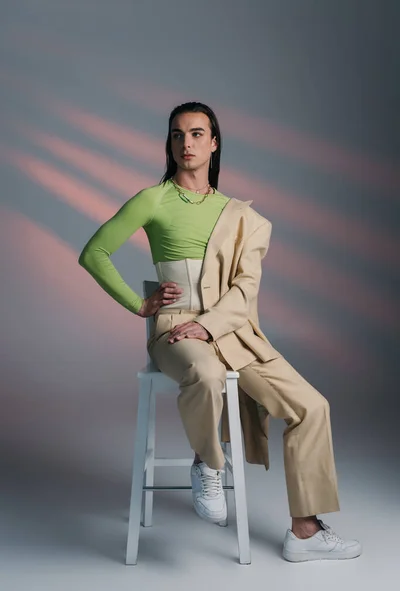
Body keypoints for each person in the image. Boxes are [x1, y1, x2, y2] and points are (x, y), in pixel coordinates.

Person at [78, 101, 362, 562]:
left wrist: (209, 325)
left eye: (195, 134)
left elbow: (245, 289)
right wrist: (139, 304)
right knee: (206, 377)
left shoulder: (241, 216)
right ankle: (208, 463)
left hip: (232, 329)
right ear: (169, 144)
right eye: (176, 135)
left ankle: (305, 532)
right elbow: (94, 253)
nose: (185, 143)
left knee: (312, 407)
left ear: (213, 143)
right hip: (174, 328)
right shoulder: (154, 198)